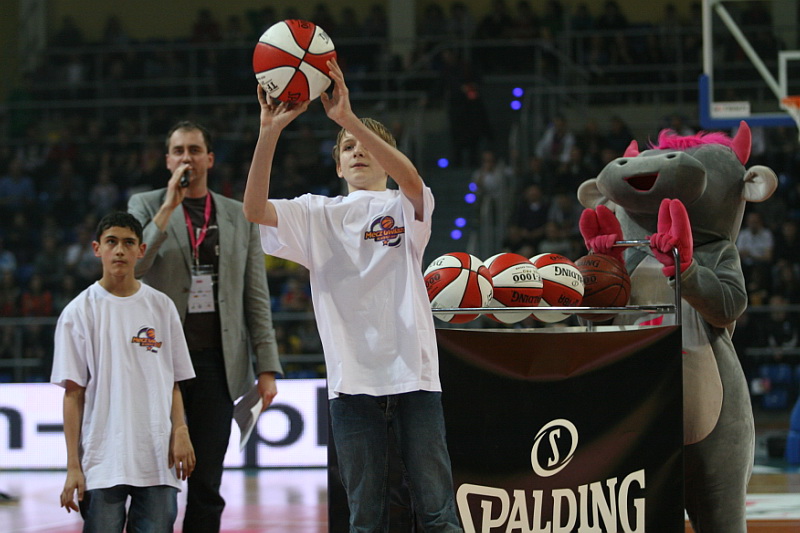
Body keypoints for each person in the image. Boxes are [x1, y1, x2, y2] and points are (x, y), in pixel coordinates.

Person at [242, 59, 463, 532]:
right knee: (366, 520)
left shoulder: (404, 204)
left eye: (367, 145)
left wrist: (347, 118)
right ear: (338, 164)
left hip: (415, 376)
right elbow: (254, 209)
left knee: (438, 513)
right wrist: (269, 132)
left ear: (386, 158)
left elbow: (411, 180)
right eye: (348, 147)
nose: (358, 150)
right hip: (352, 384)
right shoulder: (315, 213)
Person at [127, 121, 283, 533]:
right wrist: (168, 207)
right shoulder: (144, 204)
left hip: (217, 363)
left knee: (207, 481)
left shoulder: (237, 214)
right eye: (178, 151)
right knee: (156, 483)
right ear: (167, 160)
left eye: (194, 150)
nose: (187, 158)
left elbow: (256, 294)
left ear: (209, 159)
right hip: (158, 361)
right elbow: (134, 266)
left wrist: (267, 367)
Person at [51, 211, 196, 532]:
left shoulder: (162, 306)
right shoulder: (78, 312)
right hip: (102, 461)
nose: (119, 250)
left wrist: (180, 430)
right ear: (97, 248)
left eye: (128, 243)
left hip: (158, 458)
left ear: (141, 250)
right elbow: (73, 395)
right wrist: (73, 466)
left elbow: (172, 381)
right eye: (111, 242)